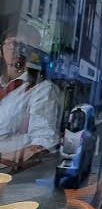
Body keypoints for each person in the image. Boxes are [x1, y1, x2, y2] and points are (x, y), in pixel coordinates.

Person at [0, 24, 62, 171]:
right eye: (12, 43)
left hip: (10, 175)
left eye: (24, 45)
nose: (17, 49)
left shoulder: (42, 90)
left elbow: (43, 142)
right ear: (1, 50)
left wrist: (6, 159)